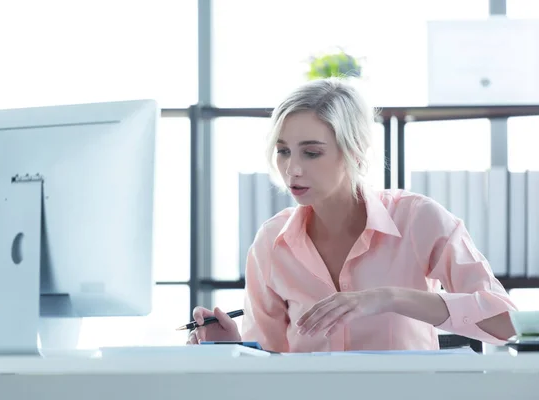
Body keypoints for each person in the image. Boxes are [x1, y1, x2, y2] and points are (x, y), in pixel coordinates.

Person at [188, 77, 518, 353]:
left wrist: (389, 298)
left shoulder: (419, 220)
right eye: (283, 151)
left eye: (312, 152)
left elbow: (507, 324)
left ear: (354, 151)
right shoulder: (271, 243)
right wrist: (231, 348)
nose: (293, 169)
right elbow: (269, 364)